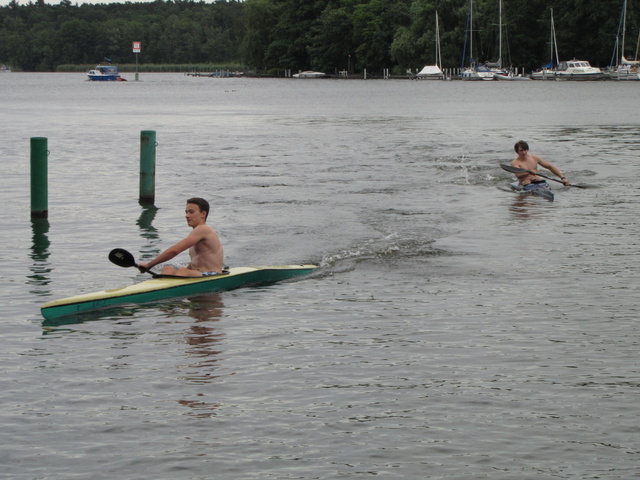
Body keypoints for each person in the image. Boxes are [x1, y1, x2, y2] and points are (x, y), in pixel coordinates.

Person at [138, 197, 224, 277]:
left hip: (213, 275)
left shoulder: (203, 229)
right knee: (167, 269)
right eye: (186, 212)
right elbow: (197, 261)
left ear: (203, 214)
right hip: (198, 274)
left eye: (191, 212)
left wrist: (149, 264)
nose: (187, 215)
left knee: (183, 271)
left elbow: (174, 251)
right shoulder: (196, 234)